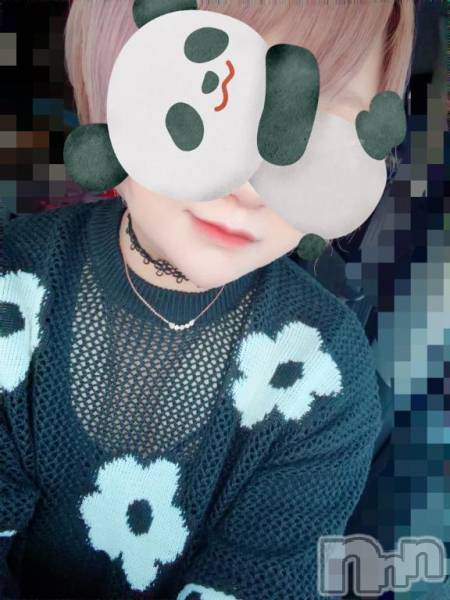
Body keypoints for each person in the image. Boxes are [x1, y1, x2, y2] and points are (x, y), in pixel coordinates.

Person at [0, 1, 415, 598]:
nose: (248, 188)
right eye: (213, 95)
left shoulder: (325, 378)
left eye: (314, 132)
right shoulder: (14, 287)